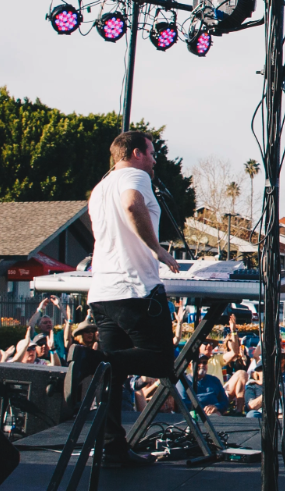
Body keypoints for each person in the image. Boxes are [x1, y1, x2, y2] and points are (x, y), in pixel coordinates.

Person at [67, 131, 180, 468]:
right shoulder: (135, 176)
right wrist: (157, 249)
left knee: (113, 376)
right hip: (135, 289)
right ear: (135, 153)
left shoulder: (100, 188)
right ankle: (89, 362)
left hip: (103, 291)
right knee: (160, 361)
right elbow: (132, 204)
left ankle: (113, 448)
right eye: (151, 152)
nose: (155, 160)